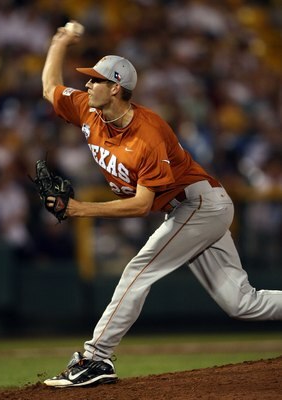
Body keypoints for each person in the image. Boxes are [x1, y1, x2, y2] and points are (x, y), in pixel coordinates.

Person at [41, 23, 282, 388]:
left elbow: (140, 206)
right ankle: (97, 359)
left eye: (95, 80)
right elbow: (48, 88)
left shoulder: (148, 133)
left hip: (201, 205)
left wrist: (76, 209)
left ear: (116, 88)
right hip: (190, 209)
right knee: (242, 303)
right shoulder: (90, 111)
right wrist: (59, 41)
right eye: (88, 80)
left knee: (138, 270)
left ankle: (96, 358)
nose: (87, 85)